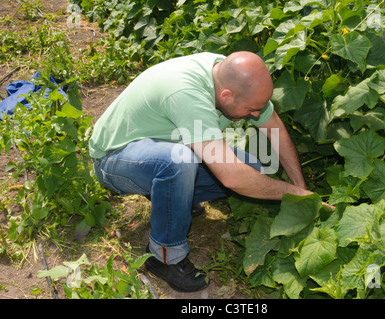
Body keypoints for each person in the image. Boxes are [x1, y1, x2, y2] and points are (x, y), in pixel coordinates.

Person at [89, 51, 316, 292]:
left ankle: (173, 198)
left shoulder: (231, 75)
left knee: (251, 168)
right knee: (180, 162)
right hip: (114, 157)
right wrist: (292, 194)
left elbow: (276, 131)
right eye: (251, 110)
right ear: (227, 96)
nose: (257, 115)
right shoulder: (188, 93)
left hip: (160, 146)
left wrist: (301, 188)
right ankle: (164, 256)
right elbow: (232, 177)